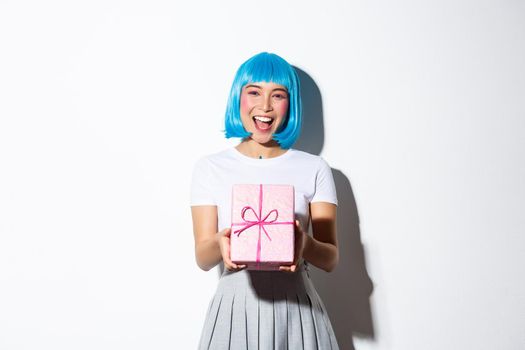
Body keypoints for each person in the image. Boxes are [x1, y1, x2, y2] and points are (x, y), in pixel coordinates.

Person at [191, 52, 340, 350]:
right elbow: (203, 257)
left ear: (290, 103)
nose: (265, 106)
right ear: (238, 97)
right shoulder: (210, 167)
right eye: (254, 92)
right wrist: (222, 241)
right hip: (234, 306)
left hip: (297, 309)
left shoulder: (314, 168)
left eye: (278, 95)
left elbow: (331, 258)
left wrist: (304, 244)